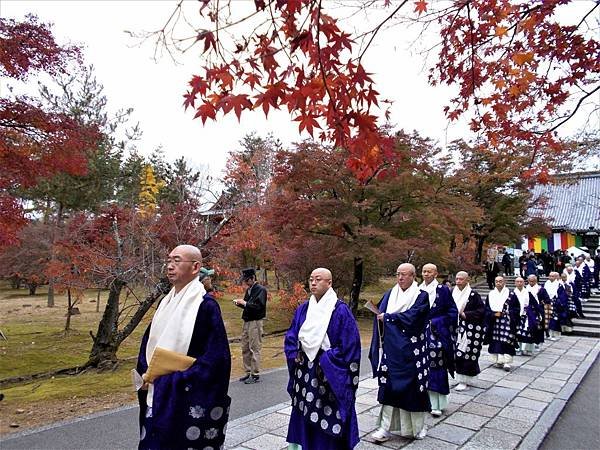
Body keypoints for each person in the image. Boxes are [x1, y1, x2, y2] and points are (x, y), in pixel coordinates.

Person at [136, 245, 231, 449]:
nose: (170, 266)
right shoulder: (165, 302)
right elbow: (149, 342)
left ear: (195, 267)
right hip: (156, 390)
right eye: (169, 261)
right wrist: (145, 373)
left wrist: (174, 380)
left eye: (177, 261)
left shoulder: (206, 306)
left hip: (184, 394)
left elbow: (217, 360)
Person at [284, 268, 361, 450]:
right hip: (305, 372)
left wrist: (327, 360)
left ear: (329, 283)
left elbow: (350, 347)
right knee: (304, 411)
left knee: (326, 412)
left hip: (328, 373)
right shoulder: (304, 308)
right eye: (311, 279)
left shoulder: (341, 311)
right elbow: (292, 334)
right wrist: (294, 353)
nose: (313, 283)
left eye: (318, 279)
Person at [369, 263, 430, 442]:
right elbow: (381, 312)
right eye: (398, 274)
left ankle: (417, 428)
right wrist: (380, 316)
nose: (400, 278)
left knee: (412, 389)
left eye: (404, 275)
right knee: (389, 387)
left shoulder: (421, 296)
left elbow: (415, 318)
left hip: (411, 350)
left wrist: (389, 317)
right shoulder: (390, 294)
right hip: (391, 348)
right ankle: (385, 427)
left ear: (413, 276)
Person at [419, 263, 457, 417]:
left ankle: (437, 403)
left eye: (429, 271)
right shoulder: (417, 289)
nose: (426, 274)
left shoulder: (442, 290)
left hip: (436, 334)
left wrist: (439, 322)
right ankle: (421, 401)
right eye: (424, 271)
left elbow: (452, 310)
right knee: (420, 366)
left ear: (435, 273)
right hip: (419, 334)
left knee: (436, 366)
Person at [452, 271, 485, 391]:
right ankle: (459, 378)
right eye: (457, 279)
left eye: (461, 279)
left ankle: (465, 380)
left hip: (470, 329)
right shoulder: (451, 292)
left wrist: (465, 314)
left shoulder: (473, 295)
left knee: (467, 354)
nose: (458, 281)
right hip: (454, 327)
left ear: (467, 280)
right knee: (456, 353)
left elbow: (481, 311)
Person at [234, 268, 268, 384]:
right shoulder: (249, 290)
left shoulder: (261, 290)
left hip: (255, 322)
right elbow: (248, 306)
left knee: (254, 348)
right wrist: (241, 304)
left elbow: (259, 306)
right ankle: (248, 371)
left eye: (247, 280)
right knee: (245, 347)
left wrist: (245, 303)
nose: (246, 282)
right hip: (247, 321)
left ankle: (255, 373)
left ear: (253, 278)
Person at [484, 276, 519, 371]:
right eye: (496, 281)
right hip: (494, 320)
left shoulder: (511, 294)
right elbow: (486, 308)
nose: (498, 283)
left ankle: (507, 362)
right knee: (495, 340)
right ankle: (498, 360)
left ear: (504, 282)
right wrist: (493, 314)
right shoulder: (491, 294)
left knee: (507, 339)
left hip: (507, 320)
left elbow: (516, 308)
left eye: (500, 281)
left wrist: (508, 313)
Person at [513, 277, 543, 356]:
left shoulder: (528, 293)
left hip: (526, 315)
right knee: (517, 332)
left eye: (521, 282)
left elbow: (535, 304)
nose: (519, 283)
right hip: (516, 315)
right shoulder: (512, 293)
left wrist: (538, 313)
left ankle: (527, 349)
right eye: (517, 282)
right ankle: (517, 348)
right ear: (515, 283)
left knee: (528, 332)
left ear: (524, 283)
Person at [525, 274, 549, 348]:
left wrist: (542, 303)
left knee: (539, 327)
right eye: (530, 281)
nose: (531, 282)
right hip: (528, 311)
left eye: (533, 281)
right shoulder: (525, 289)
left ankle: (539, 342)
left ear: (536, 281)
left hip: (538, 311)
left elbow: (547, 300)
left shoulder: (541, 289)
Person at [545, 272, 568, 340]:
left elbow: (562, 296)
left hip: (555, 304)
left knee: (554, 319)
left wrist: (559, 302)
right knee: (546, 320)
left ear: (555, 277)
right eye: (550, 276)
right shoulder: (546, 284)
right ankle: (547, 334)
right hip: (547, 303)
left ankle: (554, 335)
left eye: (553, 276)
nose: (551, 277)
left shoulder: (559, 285)